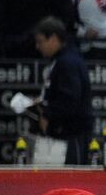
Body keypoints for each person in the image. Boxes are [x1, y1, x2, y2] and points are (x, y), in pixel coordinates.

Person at [32, 16, 93, 164]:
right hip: (64, 136)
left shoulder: (67, 63)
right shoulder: (60, 60)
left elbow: (70, 100)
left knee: (71, 182)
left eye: (40, 41)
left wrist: (48, 114)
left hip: (70, 138)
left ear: (53, 38)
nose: (37, 47)